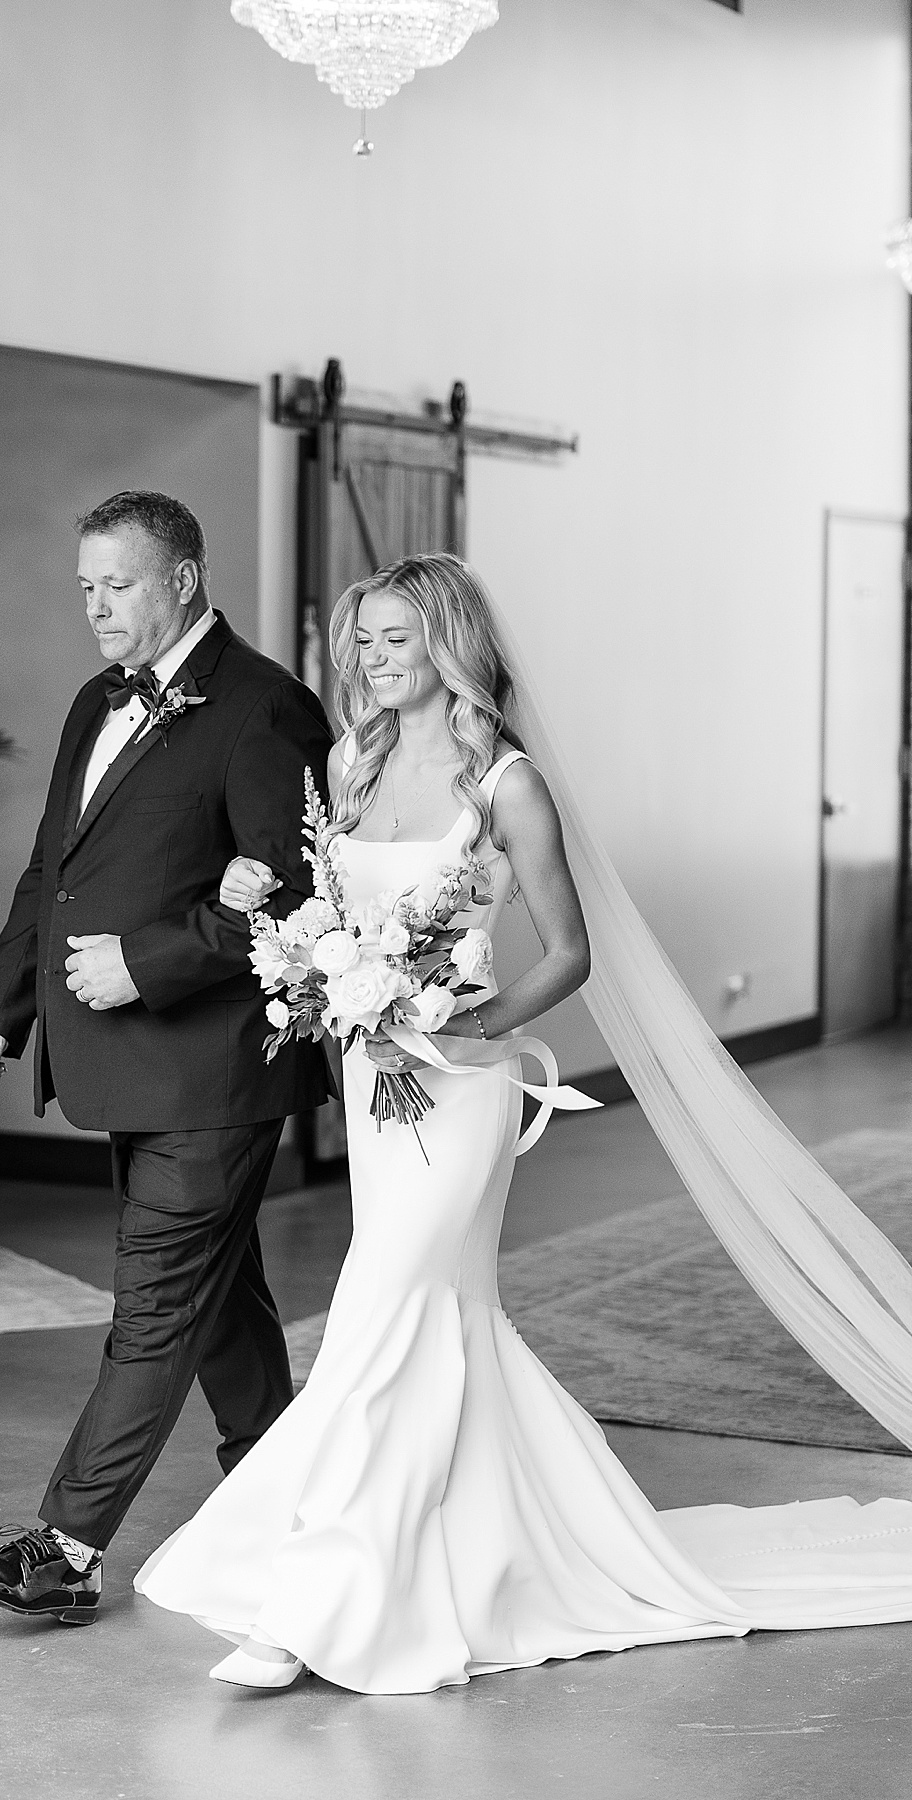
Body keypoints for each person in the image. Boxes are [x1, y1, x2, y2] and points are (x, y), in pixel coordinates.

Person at [134, 551, 912, 1695]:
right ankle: (486, 1546)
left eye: (396, 639)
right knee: (431, 1324)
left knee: (377, 1309)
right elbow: (329, 907)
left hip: (462, 1085)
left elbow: (569, 952)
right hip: (374, 1071)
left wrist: (464, 1025)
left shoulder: (506, 784)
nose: (371, 660)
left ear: (450, 645)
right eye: (363, 640)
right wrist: (291, 934)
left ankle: (312, 1607)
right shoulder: (352, 762)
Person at [0, 491, 332, 1624]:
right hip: (124, 1068)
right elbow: (47, 872)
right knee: (218, 1303)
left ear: (186, 580)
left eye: (119, 584)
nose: (98, 607)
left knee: (156, 1303)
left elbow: (302, 900)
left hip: (214, 1069)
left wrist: (149, 963)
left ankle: (61, 1552)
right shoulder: (94, 702)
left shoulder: (267, 709)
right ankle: (282, 1496)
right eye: (85, 588)